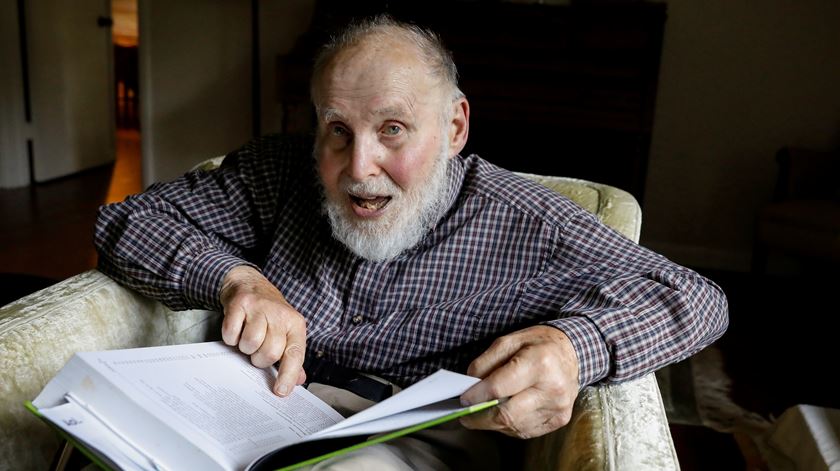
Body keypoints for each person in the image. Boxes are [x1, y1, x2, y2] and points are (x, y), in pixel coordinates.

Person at [95, 14, 728, 468]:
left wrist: (572, 349)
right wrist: (237, 279)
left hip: (407, 439)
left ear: (454, 127)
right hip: (253, 412)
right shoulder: (277, 173)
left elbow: (697, 298)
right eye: (336, 130)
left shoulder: (532, 223)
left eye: (392, 129)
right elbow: (126, 222)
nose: (360, 166)